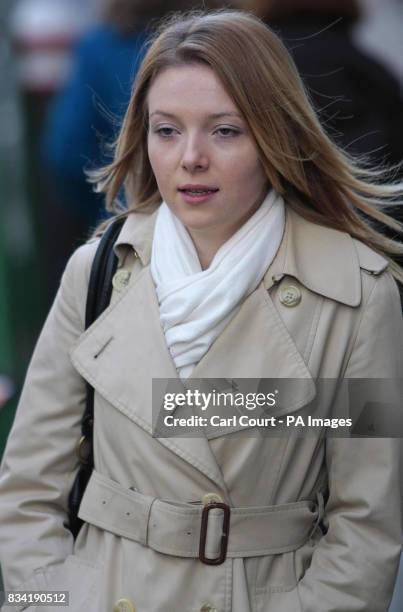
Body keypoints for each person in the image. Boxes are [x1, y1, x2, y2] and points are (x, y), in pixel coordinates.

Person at [0, 9, 402, 612]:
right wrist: (53, 603)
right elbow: (28, 489)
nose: (190, 158)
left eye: (224, 131)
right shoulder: (97, 273)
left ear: (275, 135)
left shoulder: (360, 294)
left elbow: (367, 526)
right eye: (166, 130)